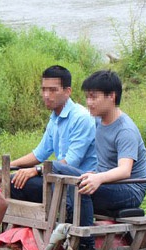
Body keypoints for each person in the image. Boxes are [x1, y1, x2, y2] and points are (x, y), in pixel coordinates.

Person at [74, 69, 146, 250]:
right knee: (71, 184)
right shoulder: (99, 123)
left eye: (94, 97)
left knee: (83, 189)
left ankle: (87, 247)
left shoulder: (125, 129)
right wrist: (96, 174)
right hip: (112, 184)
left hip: (130, 189)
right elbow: (105, 165)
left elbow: (124, 170)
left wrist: (98, 178)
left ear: (111, 96)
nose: (89, 102)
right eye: (87, 97)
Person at [10, 65, 97, 203]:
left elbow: (70, 163)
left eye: (53, 90)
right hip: (59, 179)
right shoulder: (55, 118)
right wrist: (8, 166)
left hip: (79, 184)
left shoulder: (81, 118)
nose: (46, 95)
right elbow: (39, 154)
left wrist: (36, 170)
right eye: (44, 89)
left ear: (67, 91)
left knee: (15, 184)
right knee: (11, 180)